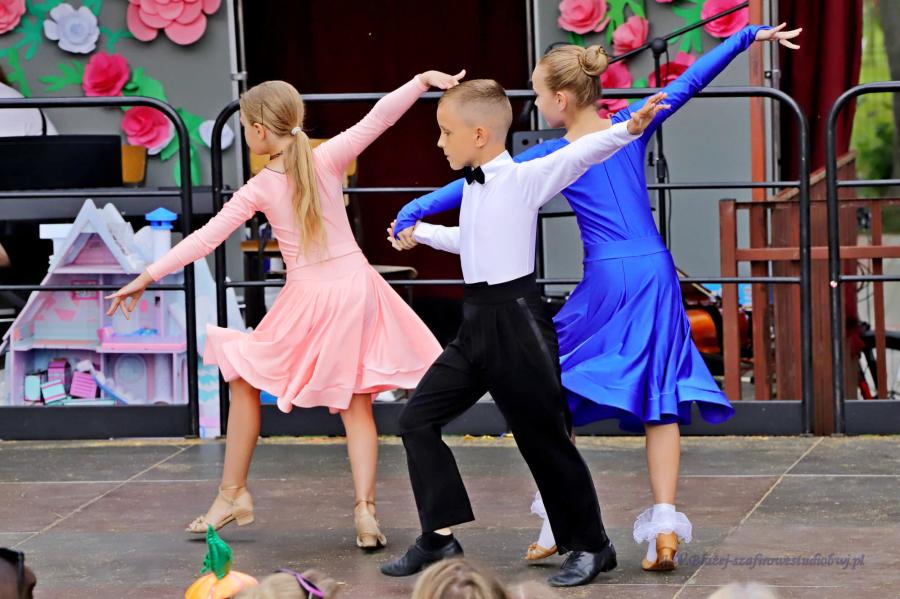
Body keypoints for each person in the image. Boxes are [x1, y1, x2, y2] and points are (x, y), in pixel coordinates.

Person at [389, 23, 801, 570]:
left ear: (561, 99)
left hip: (607, 277)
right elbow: (689, 84)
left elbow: (470, 183)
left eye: (538, 93)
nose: (535, 103)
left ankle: (559, 523)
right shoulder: (627, 124)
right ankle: (662, 525)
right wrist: (744, 37)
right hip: (653, 271)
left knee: (547, 389)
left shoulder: (554, 155)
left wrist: (416, 209)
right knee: (658, 393)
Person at [107, 70, 465, 549]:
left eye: (247, 128)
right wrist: (419, 81)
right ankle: (365, 512)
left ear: (258, 130)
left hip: (311, 297)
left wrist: (145, 276)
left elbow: (205, 238)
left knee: (243, 374)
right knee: (356, 403)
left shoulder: (261, 186)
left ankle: (232, 493)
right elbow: (379, 117)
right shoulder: (328, 157)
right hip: (357, 290)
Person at [380, 78, 668, 587]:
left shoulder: (524, 177)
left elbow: (580, 154)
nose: (439, 143)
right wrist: (419, 232)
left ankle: (592, 545)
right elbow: (474, 240)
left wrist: (627, 130)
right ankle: (438, 536)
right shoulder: (476, 185)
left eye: (446, 132)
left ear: (479, 135)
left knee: (543, 438)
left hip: (516, 323)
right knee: (416, 420)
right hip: (475, 324)